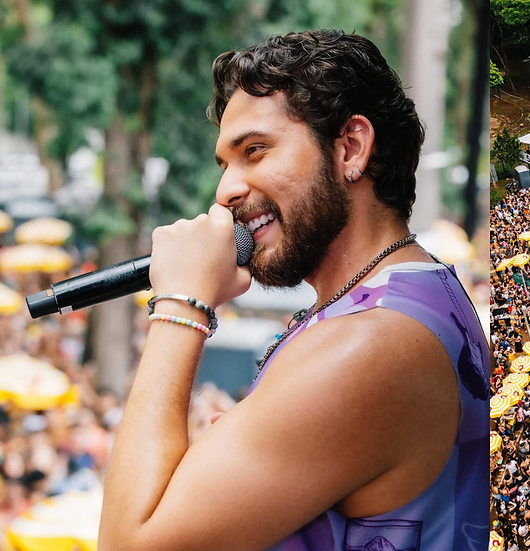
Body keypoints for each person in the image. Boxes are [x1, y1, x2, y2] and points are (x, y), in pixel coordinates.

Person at [98, 30, 490, 551]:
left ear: (351, 148)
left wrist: (181, 303)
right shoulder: (408, 291)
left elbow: (128, 545)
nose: (225, 191)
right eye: (224, 164)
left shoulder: (370, 345)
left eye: (254, 151)